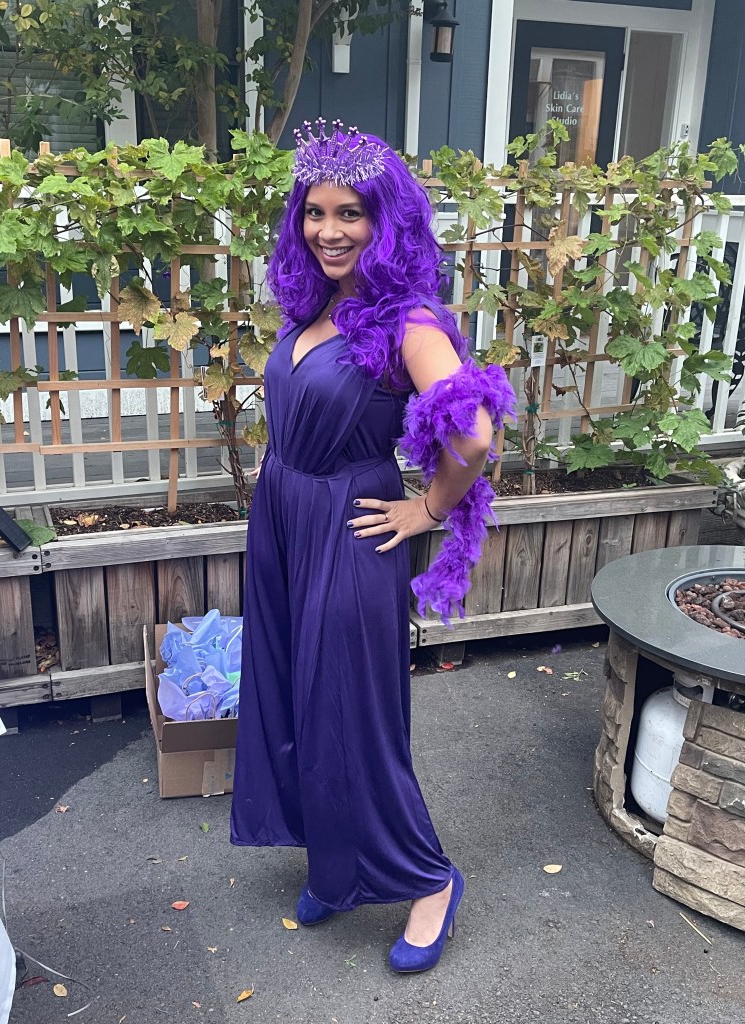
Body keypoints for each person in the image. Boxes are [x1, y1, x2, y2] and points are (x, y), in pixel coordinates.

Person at [230, 120, 515, 973]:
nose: (329, 230)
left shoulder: (407, 321)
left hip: (351, 530)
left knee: (353, 717)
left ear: (385, 221)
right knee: (297, 700)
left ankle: (429, 880)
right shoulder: (319, 304)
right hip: (287, 522)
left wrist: (428, 508)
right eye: (315, 212)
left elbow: (474, 430)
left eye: (350, 213)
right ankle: (337, 863)